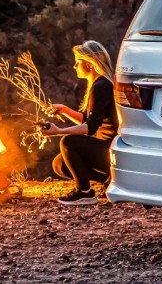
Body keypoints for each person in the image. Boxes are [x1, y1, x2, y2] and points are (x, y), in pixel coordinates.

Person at [40, 40, 117, 205]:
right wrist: (64, 110)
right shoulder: (98, 84)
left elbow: (89, 128)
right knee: (60, 164)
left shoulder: (101, 86)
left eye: (78, 61)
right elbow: (89, 120)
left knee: (69, 142)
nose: (74, 66)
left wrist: (59, 131)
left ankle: (85, 192)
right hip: (105, 150)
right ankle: (106, 178)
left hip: (110, 150)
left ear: (90, 63)